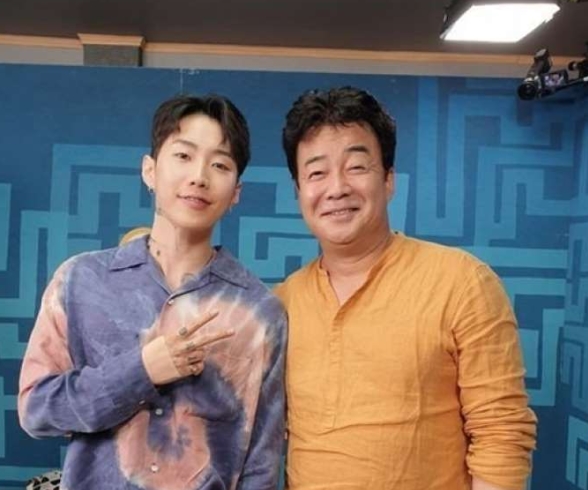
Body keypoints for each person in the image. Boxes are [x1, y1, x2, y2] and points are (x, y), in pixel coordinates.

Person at [18, 94, 287, 490]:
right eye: (183, 156)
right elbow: (37, 411)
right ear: (149, 170)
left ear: (236, 193)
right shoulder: (80, 281)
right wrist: (141, 371)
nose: (199, 176)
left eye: (220, 164)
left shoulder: (259, 310)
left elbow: (261, 464)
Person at [276, 86, 537, 490]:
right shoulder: (281, 303)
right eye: (316, 173)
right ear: (299, 192)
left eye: (356, 167)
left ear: (389, 180)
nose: (337, 188)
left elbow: (501, 433)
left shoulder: (462, 282)